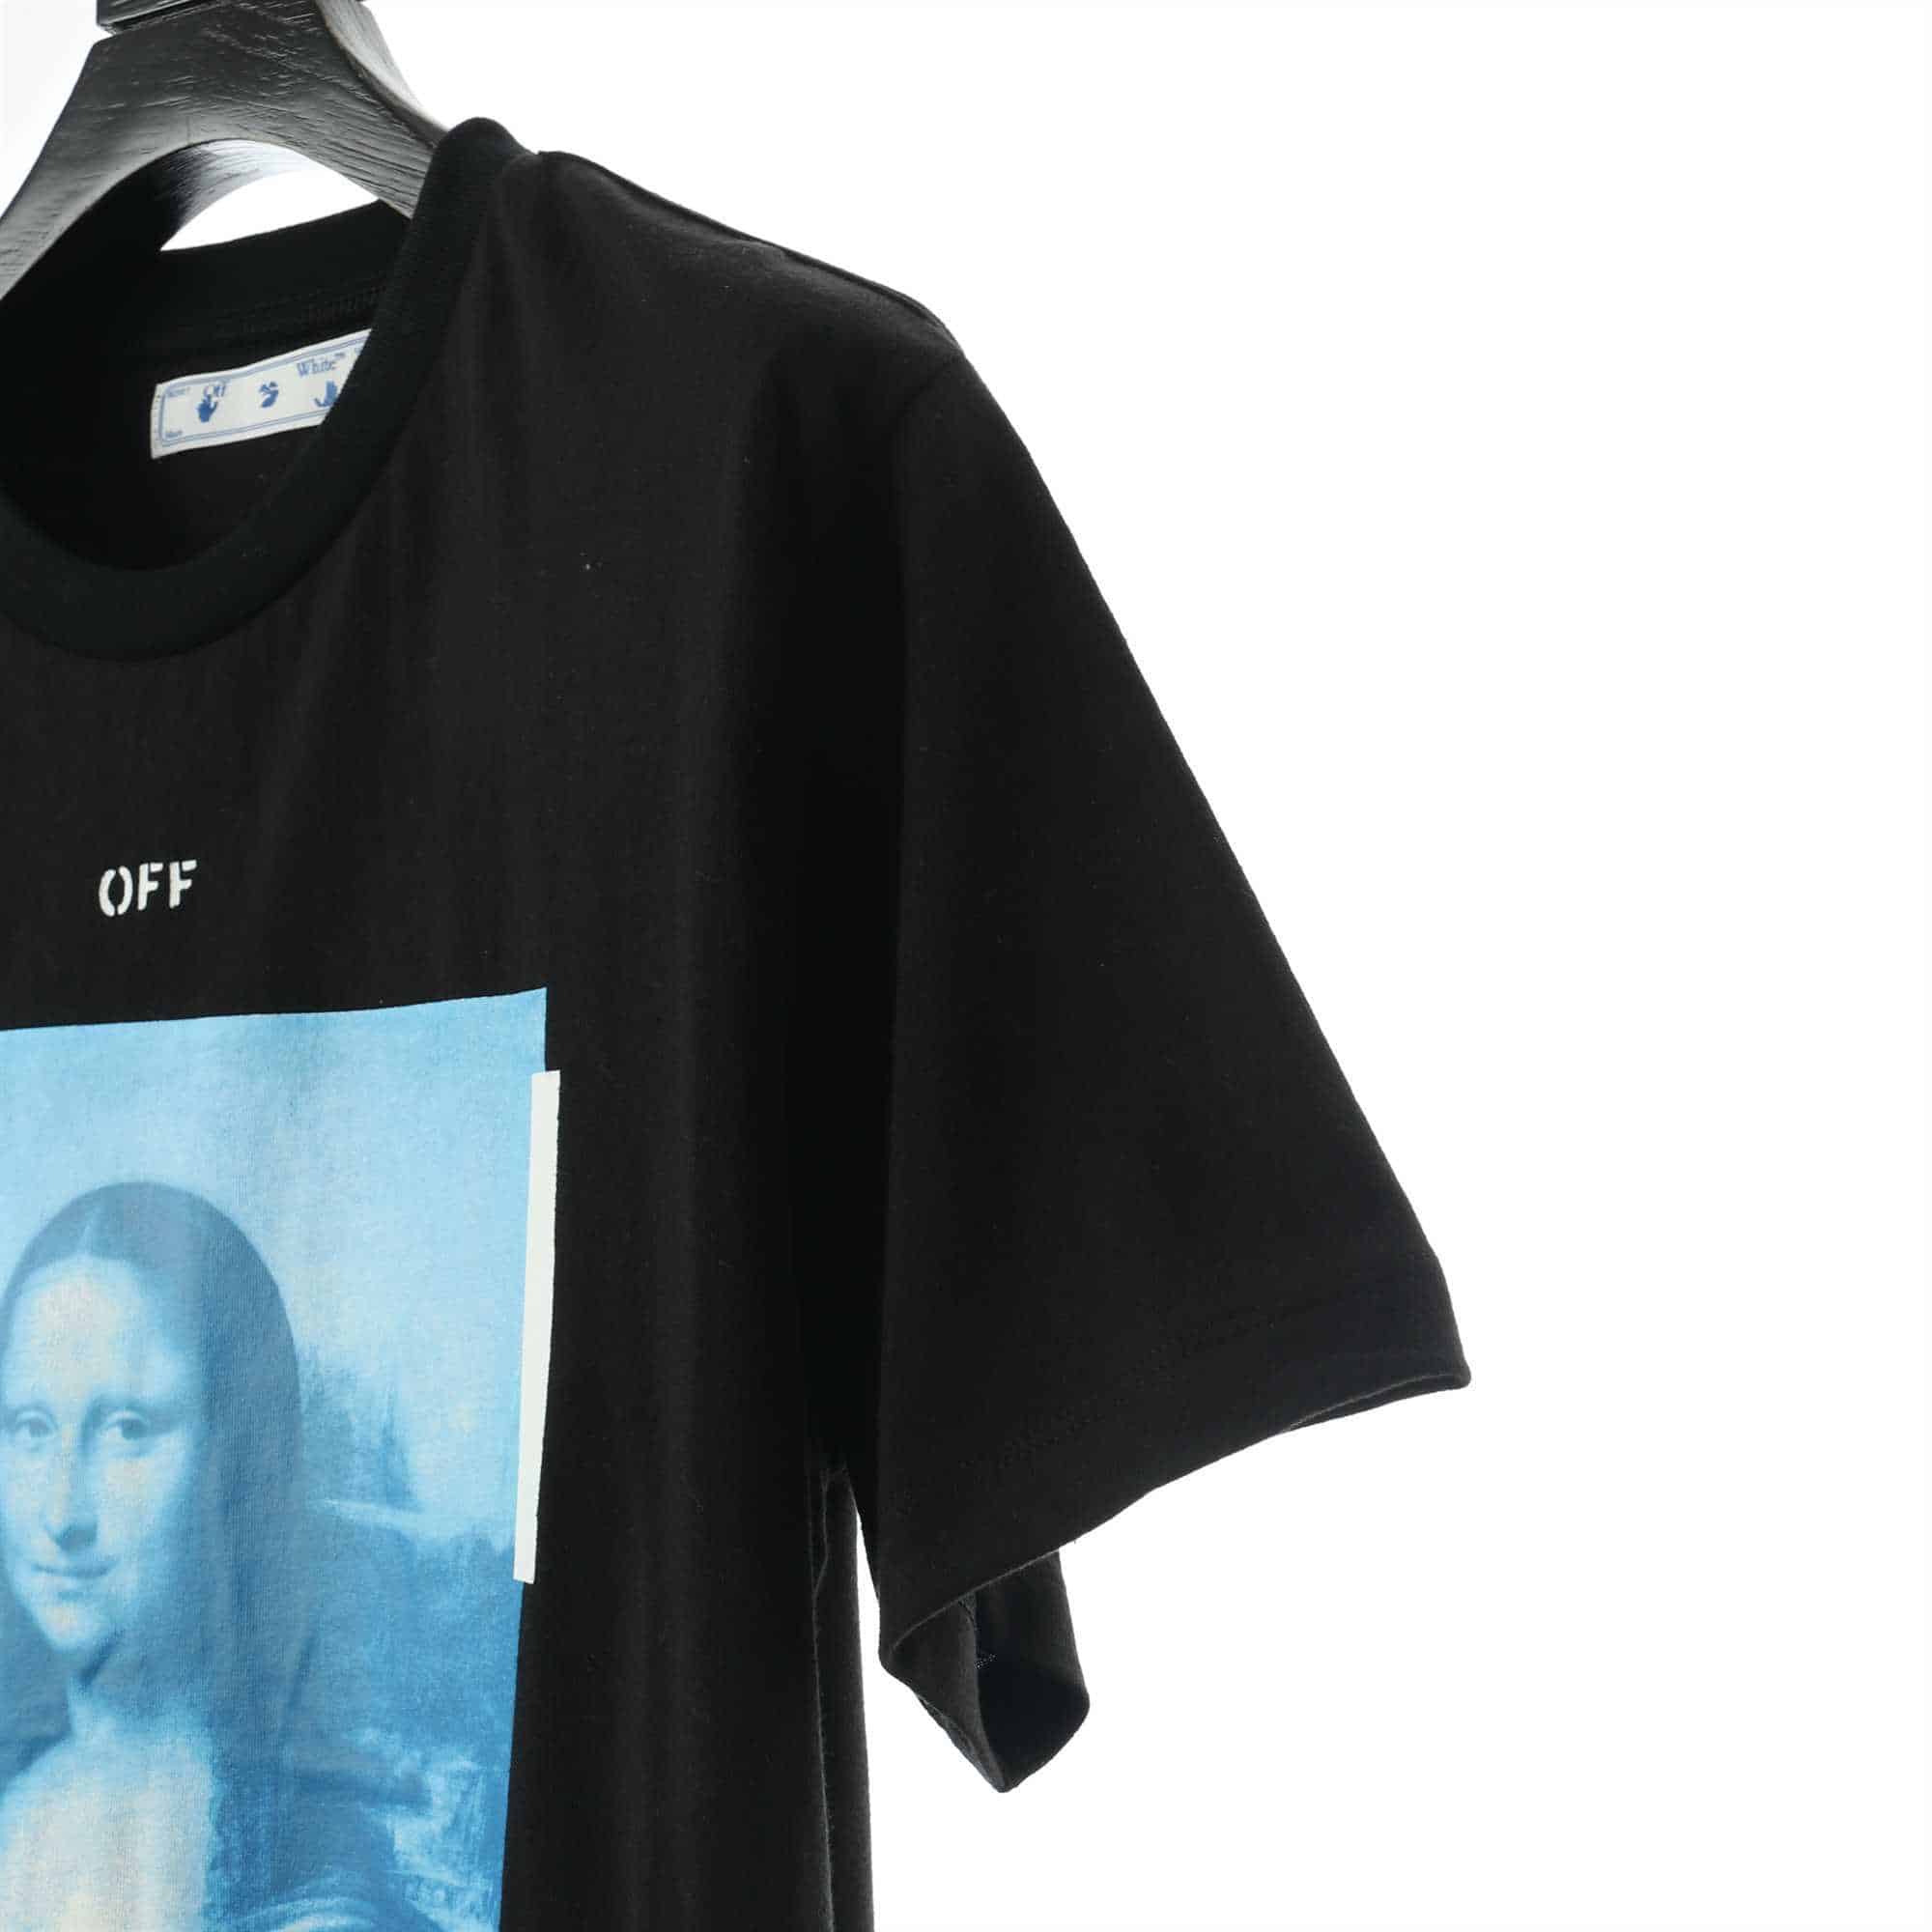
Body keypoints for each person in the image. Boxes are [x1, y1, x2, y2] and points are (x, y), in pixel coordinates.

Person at [0, 1180, 443, 1932]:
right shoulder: (21, 1805)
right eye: (31, 1427)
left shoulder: (313, 1891)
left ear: (234, 1461)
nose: (61, 1512)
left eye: (128, 1428)